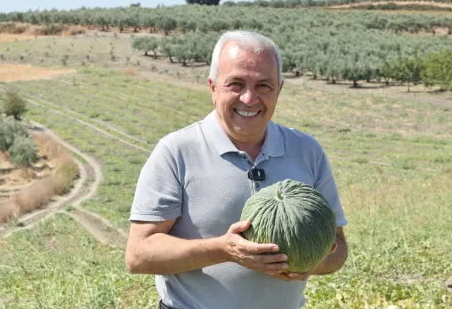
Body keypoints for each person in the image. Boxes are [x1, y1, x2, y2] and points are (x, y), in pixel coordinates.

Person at [125, 30, 348, 309]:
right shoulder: (177, 151)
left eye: (264, 85)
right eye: (236, 84)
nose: (249, 98)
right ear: (213, 87)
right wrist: (224, 249)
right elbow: (138, 254)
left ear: (279, 90)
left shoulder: (307, 151)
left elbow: (337, 248)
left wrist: (311, 263)